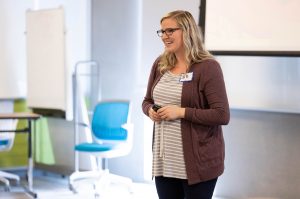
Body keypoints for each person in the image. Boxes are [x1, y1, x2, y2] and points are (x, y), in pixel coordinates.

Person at [142, 10, 230, 199]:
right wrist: (150, 111)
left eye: (170, 31)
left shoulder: (207, 67)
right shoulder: (160, 64)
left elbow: (221, 115)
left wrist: (181, 112)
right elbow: (147, 101)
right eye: (162, 32)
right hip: (164, 163)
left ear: (187, 30)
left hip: (197, 164)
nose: (165, 36)